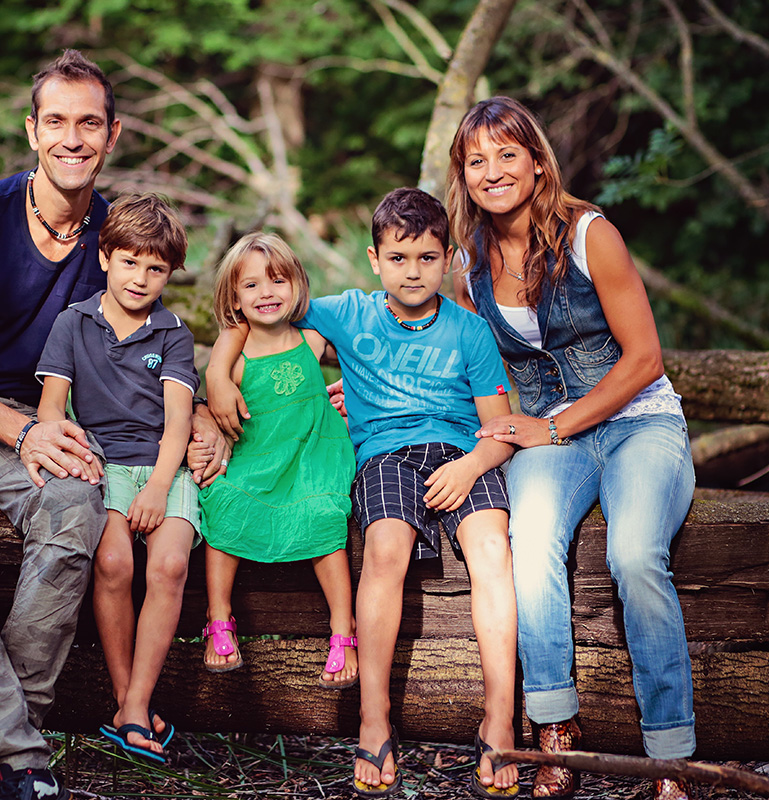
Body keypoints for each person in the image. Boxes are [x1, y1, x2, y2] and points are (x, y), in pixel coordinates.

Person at [0, 52, 226, 800]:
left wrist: (210, 409)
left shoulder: (116, 238)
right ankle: (22, 760)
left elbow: (164, 339)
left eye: (89, 122)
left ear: (112, 134)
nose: (72, 137)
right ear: (32, 131)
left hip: (35, 421)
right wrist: (21, 433)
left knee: (75, 517)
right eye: (55, 120)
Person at [208, 189, 520, 799]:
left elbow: (501, 428)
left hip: (464, 451)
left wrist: (472, 465)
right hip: (383, 454)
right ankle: (373, 718)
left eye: (427, 258)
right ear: (374, 260)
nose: (413, 271)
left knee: (492, 553)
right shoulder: (345, 312)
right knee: (383, 549)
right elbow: (255, 317)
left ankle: (499, 720)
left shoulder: (470, 332)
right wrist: (216, 382)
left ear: (450, 258)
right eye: (399, 258)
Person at [446, 96, 696, 800]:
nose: (492, 171)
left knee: (635, 555)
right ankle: (557, 731)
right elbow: (463, 366)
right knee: (529, 545)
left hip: (639, 422)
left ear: (534, 161)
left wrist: (550, 427)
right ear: (463, 176)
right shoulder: (469, 267)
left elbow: (644, 357)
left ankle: (671, 759)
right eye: (476, 160)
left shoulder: (591, 235)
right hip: (556, 436)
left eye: (506, 154)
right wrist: (377, 388)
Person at [35, 193, 198, 765]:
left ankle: (134, 703)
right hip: (101, 463)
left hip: (163, 466)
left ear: (170, 274)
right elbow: (52, 407)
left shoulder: (173, 333)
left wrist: (158, 486)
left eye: (156, 268)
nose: (141, 277)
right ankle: (130, 702)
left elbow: (179, 420)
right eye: (130, 262)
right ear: (104, 257)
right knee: (112, 563)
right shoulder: (73, 323)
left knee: (170, 564)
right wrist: (79, 458)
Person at [197, 232, 358, 688]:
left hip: (312, 451)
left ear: (297, 284)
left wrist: (353, 396)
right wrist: (218, 380)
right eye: (250, 286)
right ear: (234, 296)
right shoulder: (236, 341)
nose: (266, 293)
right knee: (224, 502)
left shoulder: (312, 338)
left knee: (324, 513)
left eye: (277, 281)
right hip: (258, 452)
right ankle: (220, 617)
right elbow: (214, 379)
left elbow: (361, 364)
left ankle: (343, 629)